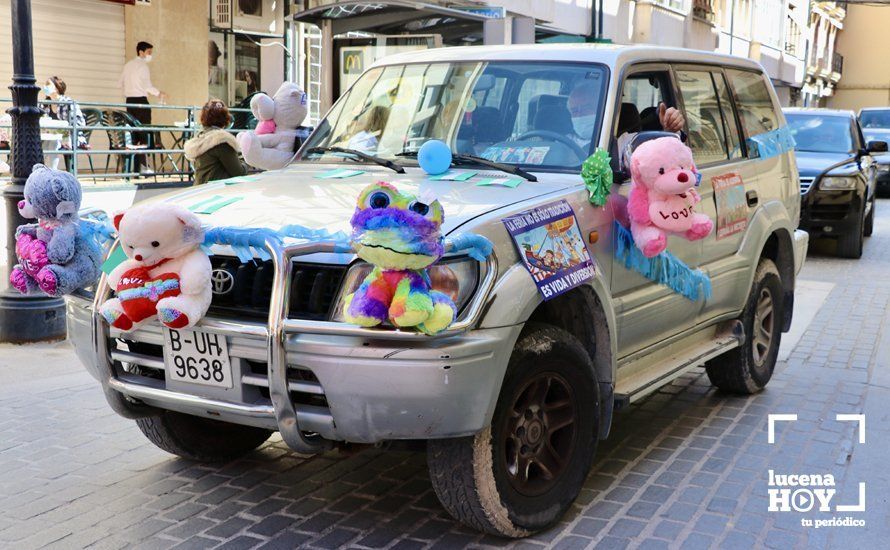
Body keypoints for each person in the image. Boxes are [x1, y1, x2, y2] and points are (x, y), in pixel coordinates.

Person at [567, 80, 685, 165]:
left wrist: (670, 132)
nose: (579, 114)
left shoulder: (630, 141)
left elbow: (663, 162)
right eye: (574, 110)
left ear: (602, 108)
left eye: (586, 107)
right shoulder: (560, 141)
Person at [119, 41, 166, 175]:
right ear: (141, 52)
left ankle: (134, 167)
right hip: (141, 101)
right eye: (149, 52)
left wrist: (129, 91)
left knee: (133, 134)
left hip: (129, 102)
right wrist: (159, 93)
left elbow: (120, 83)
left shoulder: (128, 65)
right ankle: (144, 166)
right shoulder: (143, 66)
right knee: (144, 133)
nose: (150, 55)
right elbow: (147, 86)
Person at [184, 99, 245, 186]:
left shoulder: (199, 137)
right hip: (217, 191)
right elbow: (240, 172)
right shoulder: (221, 141)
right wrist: (244, 157)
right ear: (225, 118)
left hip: (199, 189)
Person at [41, 76, 87, 151]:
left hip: (69, 137)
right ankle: (43, 163)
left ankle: (47, 163)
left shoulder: (68, 102)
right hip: (50, 135)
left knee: (53, 143)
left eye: (48, 84)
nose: (45, 87)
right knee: (44, 145)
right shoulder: (45, 104)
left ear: (56, 88)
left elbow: (80, 123)